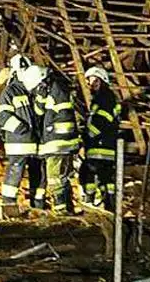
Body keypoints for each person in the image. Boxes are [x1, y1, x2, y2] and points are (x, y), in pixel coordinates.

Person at [0, 54, 46, 211]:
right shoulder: (9, 92)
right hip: (19, 142)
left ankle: (38, 204)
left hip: (35, 142)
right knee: (16, 170)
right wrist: (21, 129)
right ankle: (8, 204)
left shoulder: (32, 90)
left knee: (39, 172)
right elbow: (3, 116)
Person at [32, 65, 80, 213]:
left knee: (54, 178)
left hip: (56, 143)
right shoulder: (59, 88)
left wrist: (39, 95)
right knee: (63, 177)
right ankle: (68, 207)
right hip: (66, 143)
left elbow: (39, 111)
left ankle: (61, 211)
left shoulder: (53, 90)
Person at [80, 66, 121, 208]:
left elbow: (101, 121)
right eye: (90, 82)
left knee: (88, 173)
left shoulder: (104, 98)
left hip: (100, 146)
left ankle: (90, 200)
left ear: (103, 82)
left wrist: (86, 135)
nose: (91, 85)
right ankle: (109, 204)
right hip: (104, 145)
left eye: (95, 82)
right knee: (105, 177)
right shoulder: (104, 98)